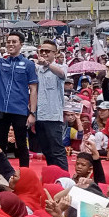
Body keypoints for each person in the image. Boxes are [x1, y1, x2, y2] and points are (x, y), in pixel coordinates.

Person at [0, 30, 38, 167]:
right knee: (0, 143)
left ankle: (25, 173)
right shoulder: (1, 62)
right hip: (1, 109)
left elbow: (34, 89)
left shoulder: (28, 65)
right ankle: (2, 172)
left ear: (21, 44)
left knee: (21, 143)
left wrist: (33, 113)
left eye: (14, 42)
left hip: (19, 110)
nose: (10, 44)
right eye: (8, 42)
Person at [34, 40, 68, 170]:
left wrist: (47, 64)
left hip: (53, 117)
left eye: (47, 51)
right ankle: (53, 175)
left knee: (57, 151)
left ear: (55, 53)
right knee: (47, 151)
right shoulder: (37, 69)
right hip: (39, 116)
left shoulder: (61, 67)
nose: (43, 53)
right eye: (41, 50)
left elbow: (61, 74)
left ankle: (65, 178)